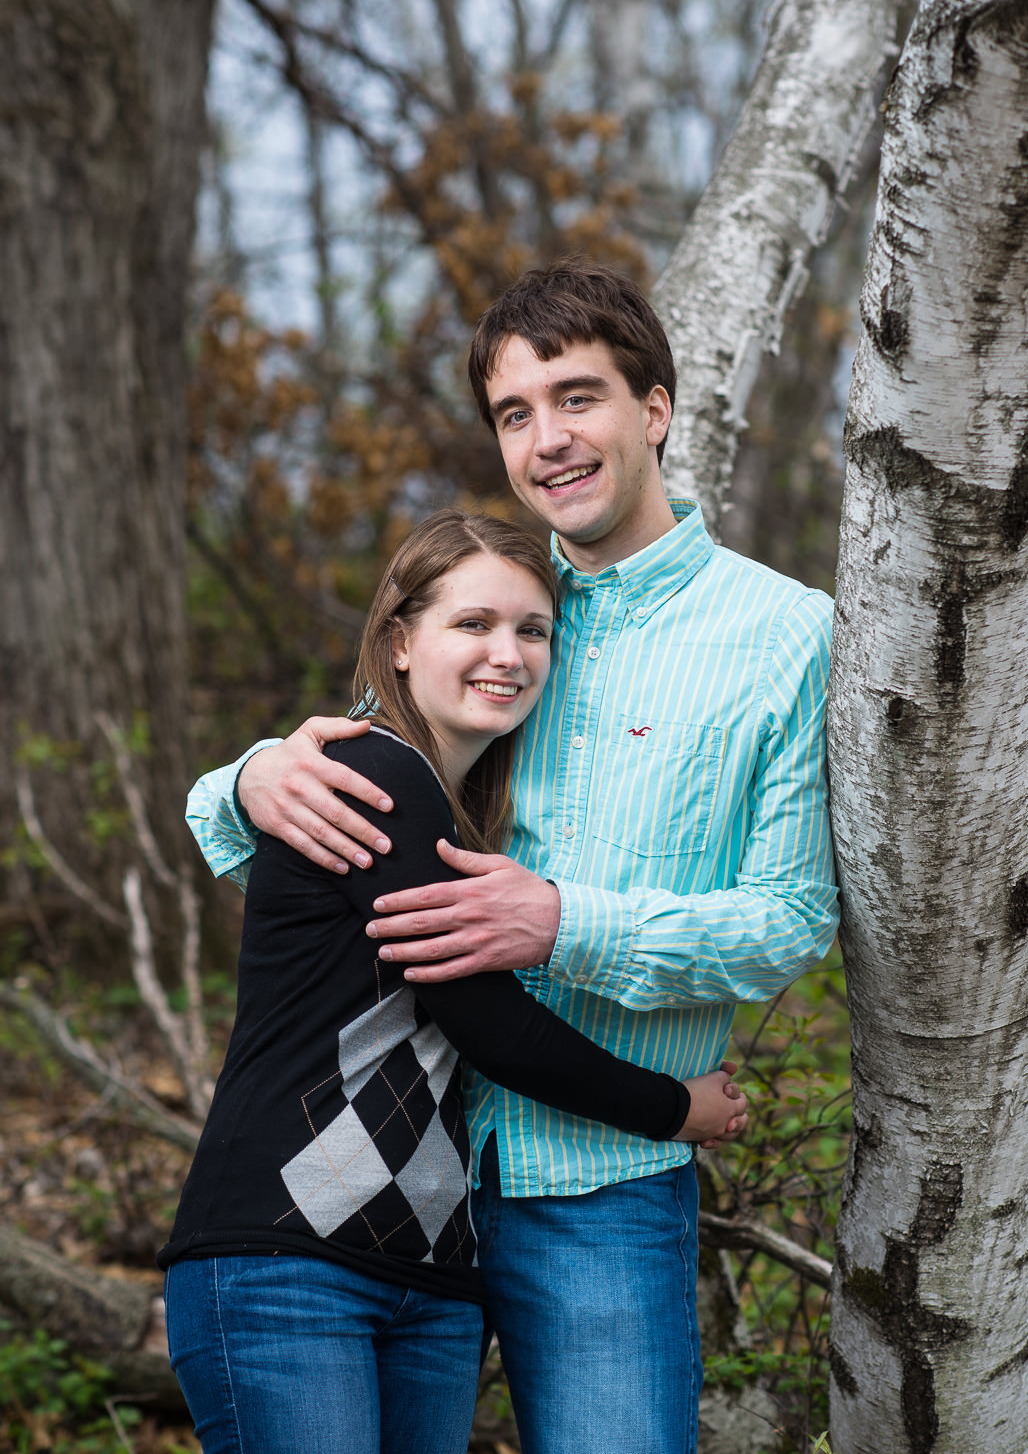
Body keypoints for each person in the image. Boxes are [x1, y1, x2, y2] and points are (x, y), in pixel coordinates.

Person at [188, 260, 840, 1454]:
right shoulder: (506, 607)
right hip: (400, 1167)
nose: (549, 440)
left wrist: (567, 923)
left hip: (597, 1181)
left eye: (579, 397)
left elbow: (792, 918)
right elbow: (342, 870)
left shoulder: (785, 634)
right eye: (515, 413)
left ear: (655, 408)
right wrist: (246, 779)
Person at [163, 508, 747, 1454]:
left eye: (532, 629)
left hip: (427, 1276)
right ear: (399, 641)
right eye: (472, 624)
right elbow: (489, 1024)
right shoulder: (369, 774)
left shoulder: (461, 814)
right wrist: (675, 1107)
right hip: (287, 1258)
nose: (507, 654)